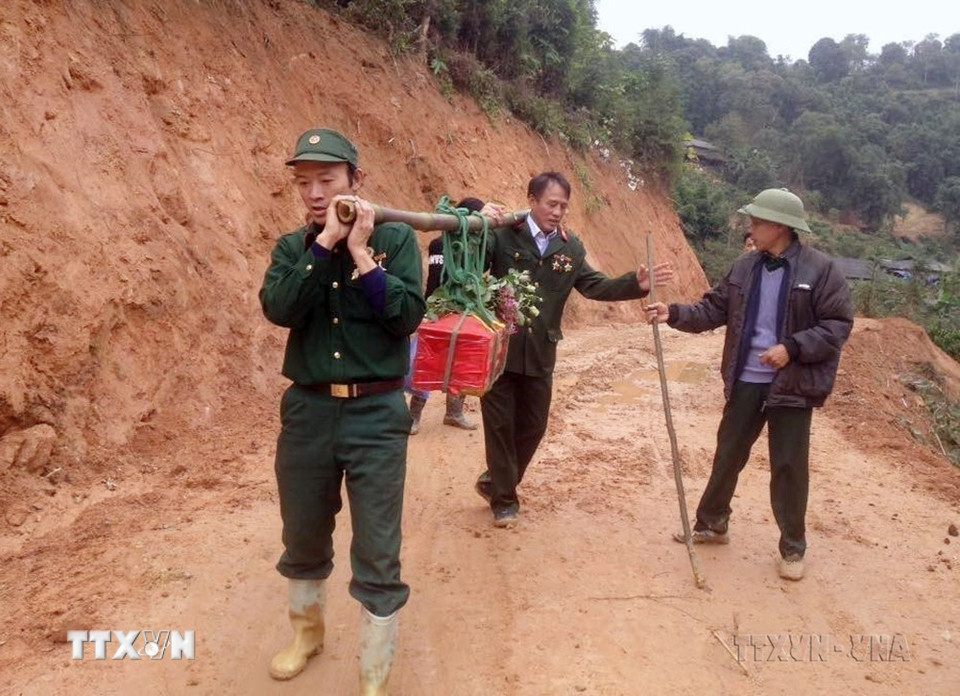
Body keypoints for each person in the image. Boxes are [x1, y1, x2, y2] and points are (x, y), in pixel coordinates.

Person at [259, 127, 425, 692]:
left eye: (327, 180)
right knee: (303, 531)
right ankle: (306, 635)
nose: (314, 193)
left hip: (377, 416)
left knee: (378, 544)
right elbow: (279, 308)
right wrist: (325, 244)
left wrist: (360, 253)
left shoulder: (396, 240)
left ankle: (375, 666)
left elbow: (405, 319)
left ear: (356, 180)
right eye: (304, 182)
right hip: (307, 414)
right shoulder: (293, 249)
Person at [645, 188, 853, 581]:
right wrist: (672, 312)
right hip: (747, 379)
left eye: (757, 222)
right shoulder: (744, 267)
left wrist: (792, 348)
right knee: (728, 452)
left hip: (792, 385)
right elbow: (712, 309)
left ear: (780, 227)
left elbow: (837, 326)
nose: (750, 228)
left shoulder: (820, 270)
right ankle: (712, 523)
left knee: (788, 465)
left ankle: (792, 548)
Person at [475, 172, 674, 527]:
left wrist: (636, 284)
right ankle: (504, 500)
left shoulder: (570, 248)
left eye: (563, 206)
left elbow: (596, 286)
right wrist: (475, 225)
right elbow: (470, 265)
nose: (557, 212)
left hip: (540, 354)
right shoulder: (502, 235)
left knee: (534, 426)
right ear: (532, 200)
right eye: (551, 204)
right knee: (500, 426)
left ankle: (496, 481)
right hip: (500, 351)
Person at [407, 197, 485, 434]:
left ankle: (453, 413)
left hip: (460, 311)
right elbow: (436, 280)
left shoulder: (465, 246)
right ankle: (414, 416)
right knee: (427, 362)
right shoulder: (443, 245)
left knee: (460, 363)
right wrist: (429, 312)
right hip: (439, 311)